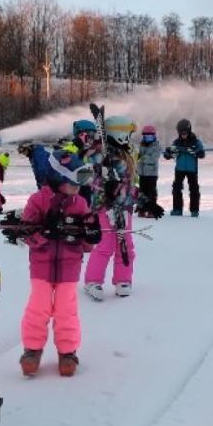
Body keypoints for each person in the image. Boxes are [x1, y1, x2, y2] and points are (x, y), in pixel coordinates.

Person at [19, 150, 101, 376]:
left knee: (67, 310)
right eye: (73, 182)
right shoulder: (37, 201)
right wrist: (45, 232)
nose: (78, 187)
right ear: (58, 179)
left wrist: (91, 236)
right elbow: (26, 235)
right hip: (41, 267)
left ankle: (67, 351)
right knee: (39, 308)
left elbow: (86, 244)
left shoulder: (81, 204)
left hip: (69, 269)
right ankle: (32, 350)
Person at [84, 115, 139, 299]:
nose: (129, 138)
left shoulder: (127, 153)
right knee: (105, 244)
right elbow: (93, 180)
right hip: (105, 206)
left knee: (125, 243)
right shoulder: (100, 154)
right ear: (119, 134)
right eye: (127, 134)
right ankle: (93, 281)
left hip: (124, 205)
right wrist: (102, 166)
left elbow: (129, 182)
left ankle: (123, 279)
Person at [163, 117, 206, 216]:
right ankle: (177, 209)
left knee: (194, 189)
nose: (183, 135)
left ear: (189, 130)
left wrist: (198, 153)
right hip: (179, 169)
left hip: (192, 170)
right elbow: (170, 154)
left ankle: (194, 210)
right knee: (176, 188)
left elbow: (202, 154)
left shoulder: (196, 142)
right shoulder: (176, 142)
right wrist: (168, 154)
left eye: (185, 133)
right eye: (181, 133)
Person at [135, 124, 164, 218]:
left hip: (152, 174)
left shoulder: (157, 146)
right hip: (142, 173)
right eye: (146, 136)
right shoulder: (141, 145)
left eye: (150, 136)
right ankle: (142, 209)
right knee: (142, 192)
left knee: (151, 192)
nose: (148, 138)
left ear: (154, 136)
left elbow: (153, 158)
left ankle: (152, 210)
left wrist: (142, 158)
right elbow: (136, 157)